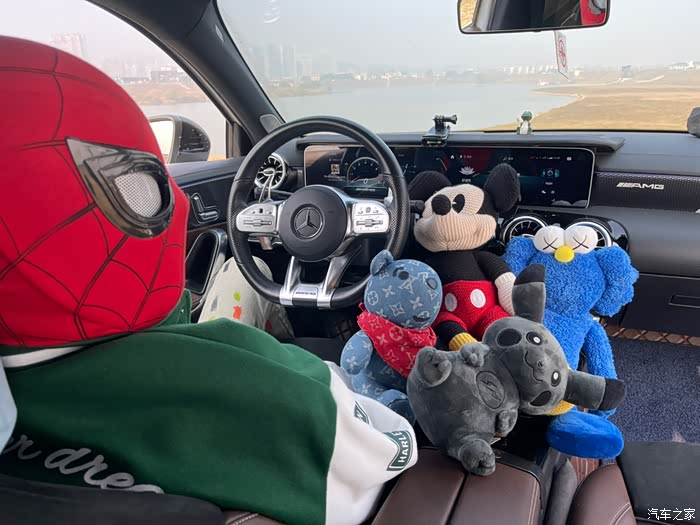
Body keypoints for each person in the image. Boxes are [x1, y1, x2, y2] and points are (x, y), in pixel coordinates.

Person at [0, 36, 417, 525]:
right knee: (250, 276)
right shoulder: (248, 379)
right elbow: (391, 450)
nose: (176, 201)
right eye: (147, 184)